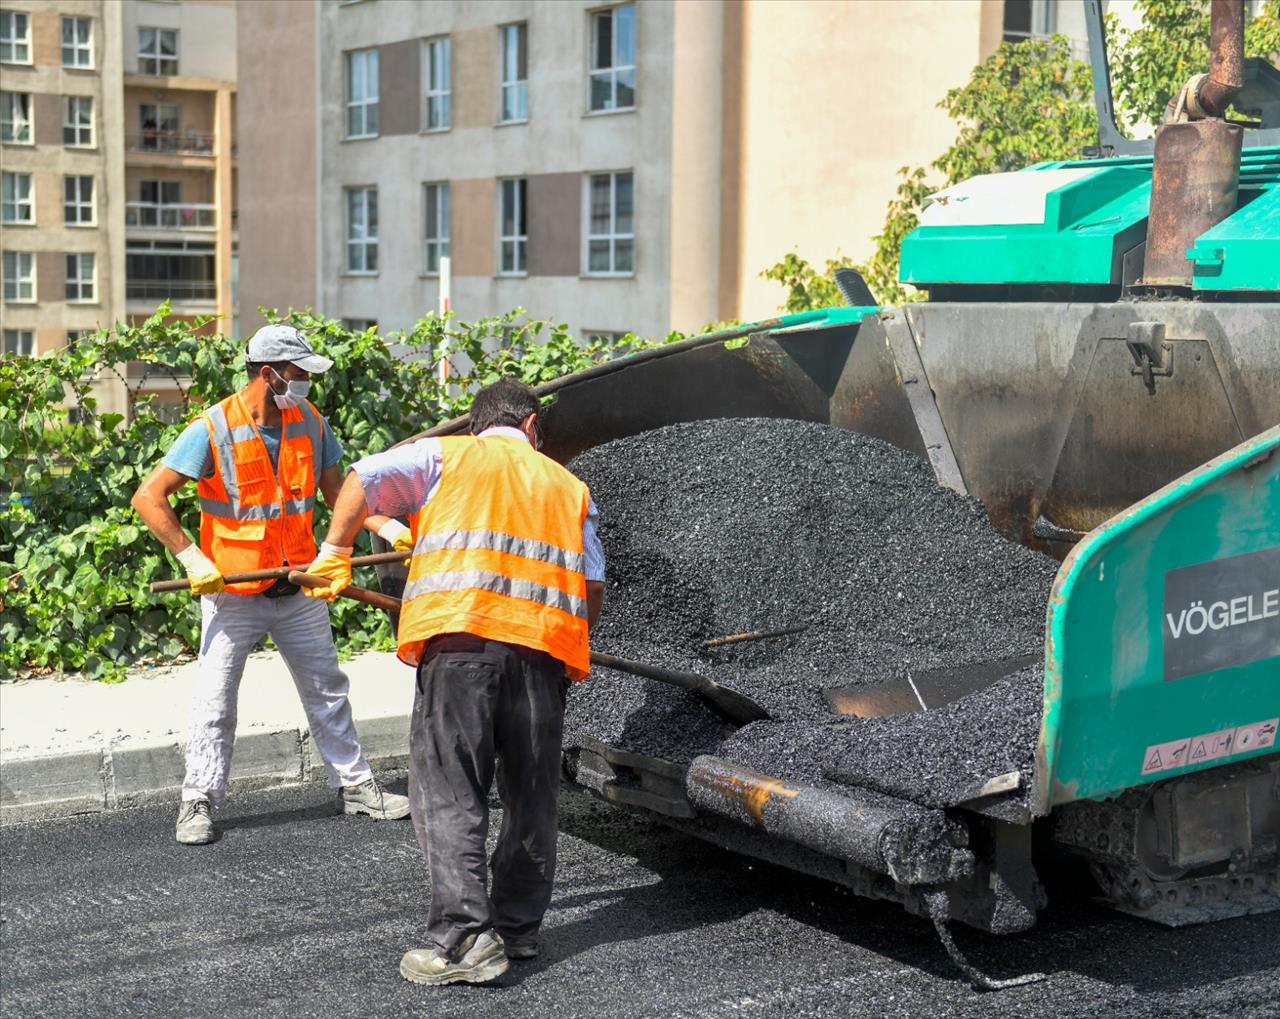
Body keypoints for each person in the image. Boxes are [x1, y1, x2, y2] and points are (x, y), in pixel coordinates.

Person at [303, 378, 606, 986]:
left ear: (479, 425)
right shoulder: (570, 487)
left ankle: (466, 941)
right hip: (543, 658)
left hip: (461, 650)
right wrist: (567, 644)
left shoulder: (446, 455)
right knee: (532, 797)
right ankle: (518, 929)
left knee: (449, 793)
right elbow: (592, 587)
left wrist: (334, 549)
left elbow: (361, 478)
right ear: (530, 426)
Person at [131, 324, 412, 846]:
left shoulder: (307, 419)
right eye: (300, 374)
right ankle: (198, 800)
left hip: (299, 584)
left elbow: (337, 491)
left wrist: (382, 524)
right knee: (215, 703)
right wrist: (191, 557)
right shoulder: (212, 428)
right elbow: (149, 497)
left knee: (328, 690)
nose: (306, 383)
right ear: (270, 374)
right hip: (234, 592)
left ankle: (355, 786)